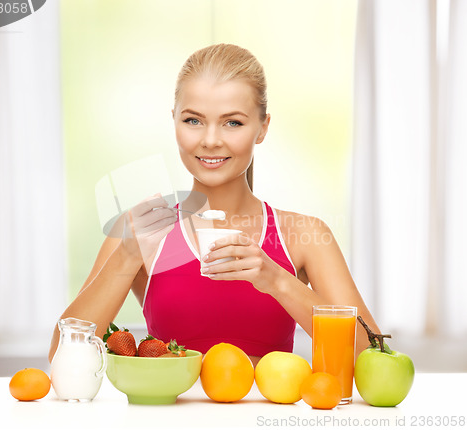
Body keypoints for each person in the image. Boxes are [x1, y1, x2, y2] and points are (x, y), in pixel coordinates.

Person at [49, 44, 379, 365]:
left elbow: (372, 361)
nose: (210, 140)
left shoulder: (304, 234)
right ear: (174, 121)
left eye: (232, 122)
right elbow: (62, 355)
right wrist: (128, 253)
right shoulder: (139, 231)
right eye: (193, 120)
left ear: (262, 128)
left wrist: (277, 280)